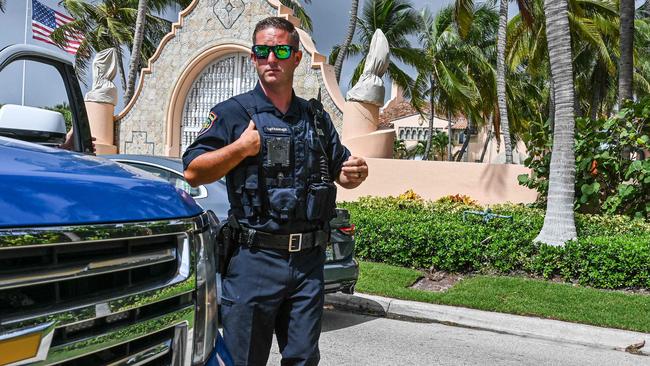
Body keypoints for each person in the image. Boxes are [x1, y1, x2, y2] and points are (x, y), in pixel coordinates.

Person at [182, 16, 367, 366]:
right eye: (263, 51)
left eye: (281, 50)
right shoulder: (234, 113)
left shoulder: (315, 118)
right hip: (255, 261)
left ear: (296, 57)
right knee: (244, 360)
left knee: (302, 358)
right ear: (253, 58)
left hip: (308, 264)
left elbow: (342, 169)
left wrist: (353, 173)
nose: (271, 59)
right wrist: (241, 148)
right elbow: (193, 172)